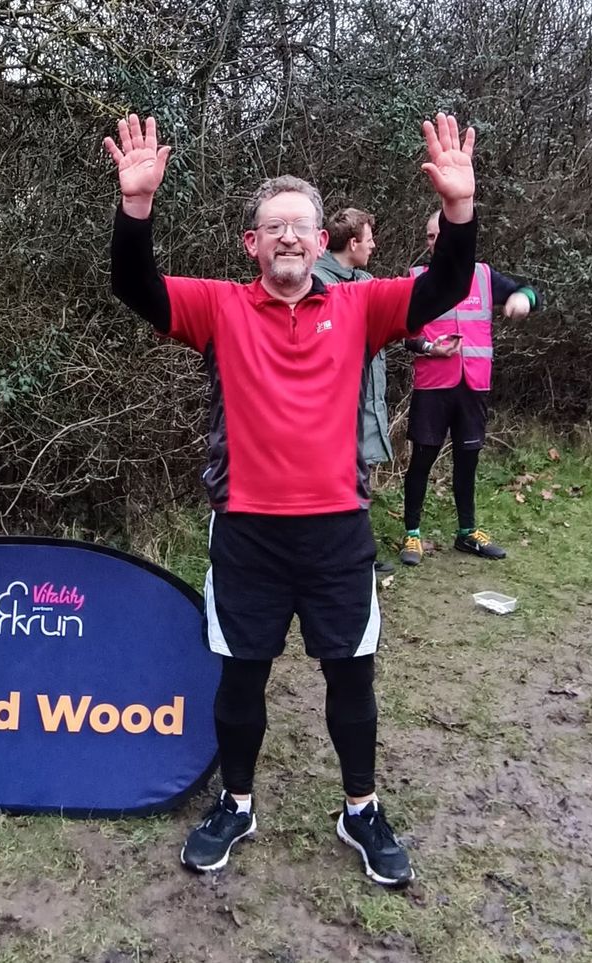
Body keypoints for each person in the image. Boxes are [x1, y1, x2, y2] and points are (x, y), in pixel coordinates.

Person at [104, 112, 477, 887]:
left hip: (338, 532)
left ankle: (361, 808)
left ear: (317, 242)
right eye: (272, 226)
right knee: (242, 678)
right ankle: (235, 803)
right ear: (252, 244)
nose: (287, 237)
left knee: (352, 677)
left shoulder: (362, 305)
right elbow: (133, 286)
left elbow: (442, 286)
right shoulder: (219, 307)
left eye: (300, 227)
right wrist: (135, 208)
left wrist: (459, 211)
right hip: (246, 533)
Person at [398, 212, 542, 566]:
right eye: (428, 237)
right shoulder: (416, 279)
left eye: (438, 236)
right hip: (433, 386)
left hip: (473, 386)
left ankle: (467, 533)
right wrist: (429, 348)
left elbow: (528, 291)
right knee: (422, 460)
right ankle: (412, 534)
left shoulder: (483, 275)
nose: (433, 244)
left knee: (468, 461)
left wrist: (524, 300)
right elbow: (403, 334)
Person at [312, 209, 394, 573]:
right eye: (369, 238)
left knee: (361, 480)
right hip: (331, 411)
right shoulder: (315, 281)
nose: (374, 244)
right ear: (353, 242)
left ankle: (358, 555)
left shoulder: (365, 281)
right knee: (330, 484)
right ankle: (333, 558)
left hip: (367, 404)